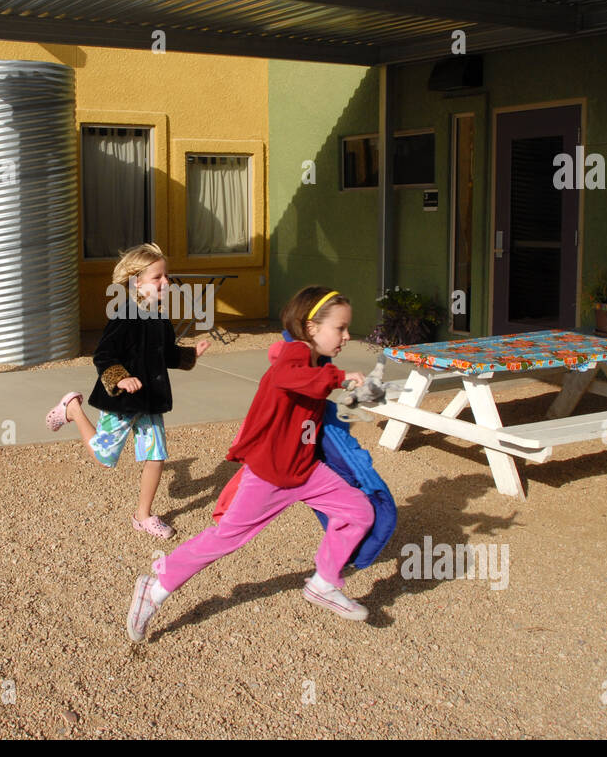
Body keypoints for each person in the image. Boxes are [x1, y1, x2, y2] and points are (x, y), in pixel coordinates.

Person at [126, 286, 374, 642]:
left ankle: (324, 582)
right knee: (225, 538)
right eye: (341, 328)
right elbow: (289, 378)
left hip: (306, 471)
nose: (347, 336)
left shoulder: (317, 363)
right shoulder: (293, 355)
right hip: (270, 474)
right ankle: (155, 588)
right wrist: (339, 378)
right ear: (311, 327)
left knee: (359, 511)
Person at [45, 243, 209, 538]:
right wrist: (119, 378)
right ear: (136, 283)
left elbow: (167, 355)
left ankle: (142, 515)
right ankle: (72, 408)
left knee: (156, 456)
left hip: (150, 401)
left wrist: (190, 354)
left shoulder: (160, 318)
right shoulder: (124, 316)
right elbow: (103, 355)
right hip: (122, 401)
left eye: (166, 276)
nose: (165, 282)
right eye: (157, 277)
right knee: (105, 458)